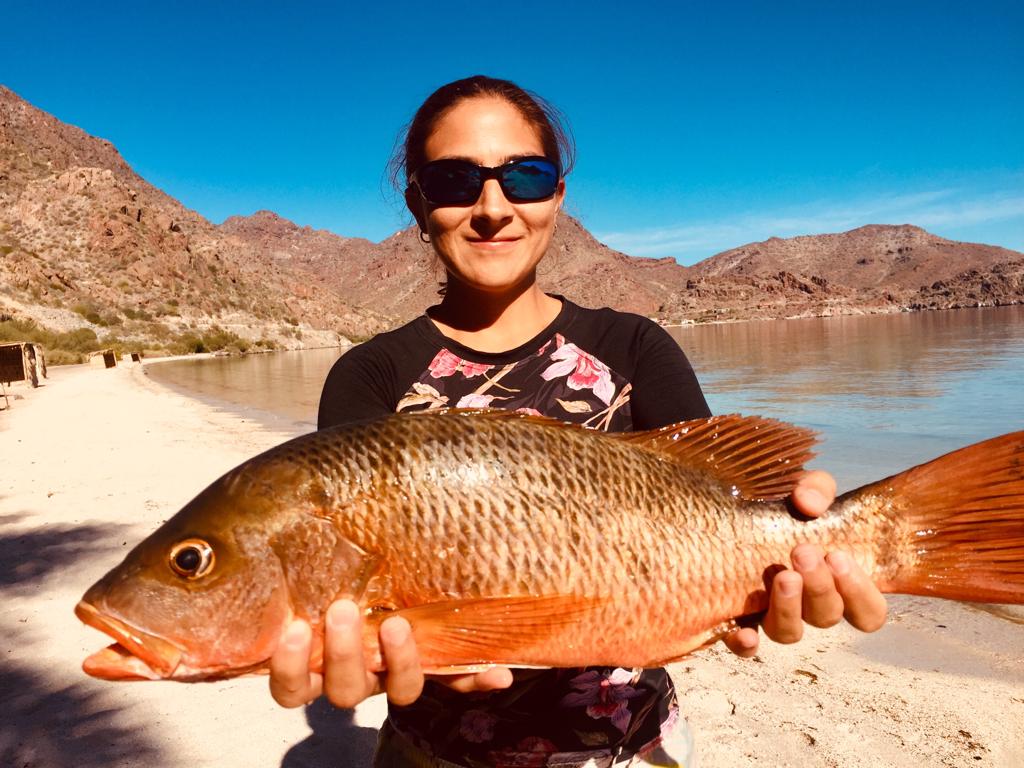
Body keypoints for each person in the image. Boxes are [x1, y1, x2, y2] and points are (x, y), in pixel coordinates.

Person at [269, 75, 888, 767]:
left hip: (633, 749)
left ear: (557, 195)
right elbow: (355, 596)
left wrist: (799, 547)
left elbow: (728, 503)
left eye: (525, 177)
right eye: (454, 181)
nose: (493, 208)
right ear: (419, 203)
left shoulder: (635, 348)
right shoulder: (369, 376)